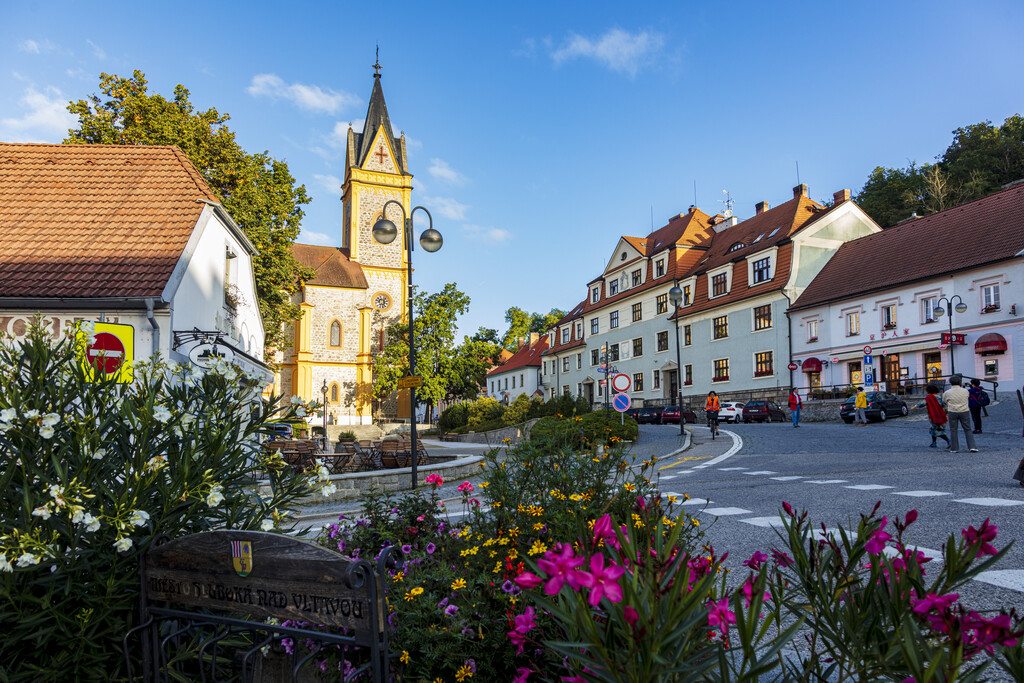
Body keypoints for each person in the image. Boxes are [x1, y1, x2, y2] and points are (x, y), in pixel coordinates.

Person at [942, 374, 977, 453]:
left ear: (951, 383)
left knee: (953, 430)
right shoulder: (965, 391)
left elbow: (944, 400)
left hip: (953, 411)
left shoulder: (947, 392)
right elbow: (967, 397)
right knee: (967, 429)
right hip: (964, 410)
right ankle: (972, 447)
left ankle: (954, 448)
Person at [917, 383, 950, 448]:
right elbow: (946, 407)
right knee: (934, 429)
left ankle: (949, 441)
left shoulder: (929, 398)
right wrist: (946, 415)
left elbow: (921, 404)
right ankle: (934, 443)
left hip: (934, 416)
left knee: (938, 430)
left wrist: (916, 406)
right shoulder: (940, 397)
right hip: (942, 415)